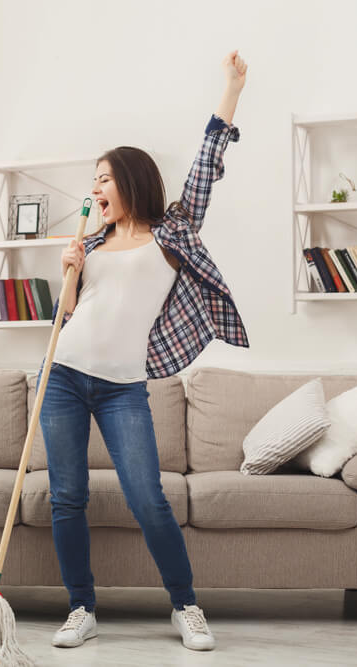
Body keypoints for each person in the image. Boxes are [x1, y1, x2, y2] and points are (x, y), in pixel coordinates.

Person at [34, 50, 250, 652]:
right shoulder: (90, 240)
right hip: (62, 375)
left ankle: (185, 605)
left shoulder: (173, 232)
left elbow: (208, 163)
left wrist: (231, 87)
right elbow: (69, 316)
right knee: (67, 496)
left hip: (124, 384)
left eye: (104, 178)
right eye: (93, 180)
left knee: (147, 497)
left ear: (129, 182)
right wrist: (70, 271)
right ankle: (81, 608)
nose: (95, 188)